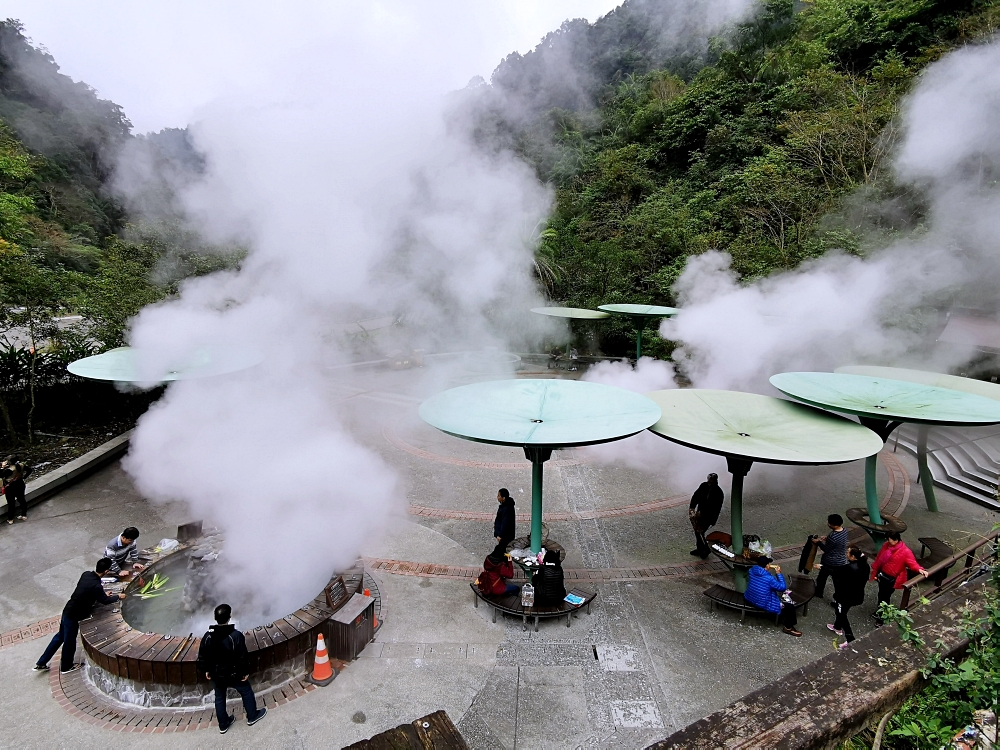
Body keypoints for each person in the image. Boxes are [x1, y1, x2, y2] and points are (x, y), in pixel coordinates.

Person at [34, 558, 125, 673]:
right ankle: (66, 666)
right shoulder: (96, 585)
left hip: (68, 610)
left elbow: (87, 591)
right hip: (73, 616)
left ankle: (41, 662)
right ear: (106, 571)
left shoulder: (86, 575)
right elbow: (105, 600)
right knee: (69, 641)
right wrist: (118, 596)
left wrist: (101, 594)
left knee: (59, 637)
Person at [197, 603, 267, 734]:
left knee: (219, 697)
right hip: (233, 673)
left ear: (215, 618)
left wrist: (207, 669)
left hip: (216, 674)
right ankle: (252, 716)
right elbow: (242, 656)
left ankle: (223, 724)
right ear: (229, 617)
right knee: (246, 691)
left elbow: (202, 655)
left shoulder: (207, 636)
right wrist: (245, 672)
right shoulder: (235, 635)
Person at [870, 531, 927, 623]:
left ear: (895, 540)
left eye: (890, 540)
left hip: (891, 578)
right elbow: (880, 557)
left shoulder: (905, 552)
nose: (888, 541)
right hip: (883, 575)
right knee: (881, 595)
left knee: (885, 597)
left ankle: (882, 617)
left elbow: (912, 563)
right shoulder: (887, 545)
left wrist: (920, 569)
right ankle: (880, 612)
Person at [745, 559, 802, 637]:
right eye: (768, 563)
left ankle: (784, 619)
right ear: (767, 566)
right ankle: (788, 627)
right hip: (762, 602)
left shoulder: (751, 571)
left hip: (750, 597)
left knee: (776, 594)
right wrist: (778, 573)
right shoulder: (769, 578)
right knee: (790, 606)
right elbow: (782, 587)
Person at [828, 547, 869, 646]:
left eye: (848, 553)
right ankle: (837, 627)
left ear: (853, 557)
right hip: (857, 595)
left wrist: (822, 567)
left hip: (846, 597)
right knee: (842, 610)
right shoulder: (865, 566)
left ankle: (850, 638)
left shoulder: (850, 568)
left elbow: (838, 575)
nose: (846, 554)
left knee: (842, 614)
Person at [813, 514, 849, 599]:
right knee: (837, 581)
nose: (828, 524)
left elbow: (826, 549)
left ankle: (819, 592)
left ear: (833, 524)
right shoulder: (844, 530)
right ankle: (838, 598)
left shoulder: (832, 536)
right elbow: (837, 542)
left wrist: (818, 542)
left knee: (822, 578)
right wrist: (827, 539)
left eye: (829, 523)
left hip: (829, 561)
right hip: (841, 561)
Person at [689, 473, 724, 558]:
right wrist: (692, 507)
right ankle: (701, 548)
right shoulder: (704, 486)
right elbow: (696, 496)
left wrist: (704, 515)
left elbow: (714, 509)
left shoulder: (718, 493)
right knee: (698, 532)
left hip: (708, 517)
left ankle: (705, 549)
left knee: (700, 531)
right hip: (700, 514)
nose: (709, 481)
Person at [2, 456, 27, 524]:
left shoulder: (9, 470)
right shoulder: (21, 465)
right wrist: (24, 477)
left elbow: (1, 475)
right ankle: (24, 515)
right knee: (22, 500)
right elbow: (29, 470)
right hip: (20, 484)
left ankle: (10, 519)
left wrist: (2, 467)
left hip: (10, 487)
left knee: (11, 503)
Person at [493, 488, 516, 557]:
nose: (497, 497)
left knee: (503, 551)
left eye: (499, 496)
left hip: (505, 536)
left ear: (503, 498)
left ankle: (504, 565)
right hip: (506, 535)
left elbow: (505, 523)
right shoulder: (506, 506)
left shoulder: (506, 509)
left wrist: (500, 535)